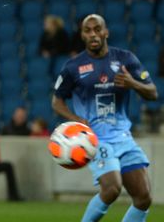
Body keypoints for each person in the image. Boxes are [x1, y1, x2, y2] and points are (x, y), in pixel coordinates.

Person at [52, 14, 158, 222]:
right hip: (95, 139)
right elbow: (56, 101)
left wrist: (132, 83)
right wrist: (75, 119)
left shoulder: (126, 60)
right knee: (112, 189)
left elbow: (153, 92)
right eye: (88, 30)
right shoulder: (73, 67)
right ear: (82, 35)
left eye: (97, 29)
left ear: (106, 32)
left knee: (143, 198)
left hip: (123, 138)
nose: (93, 34)